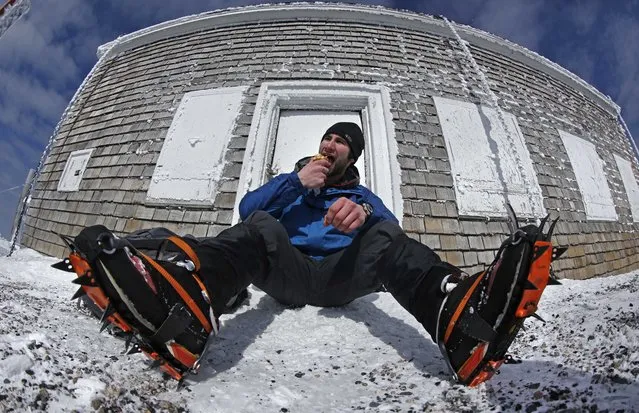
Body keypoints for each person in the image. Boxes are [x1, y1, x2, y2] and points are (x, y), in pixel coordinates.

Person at [64, 122, 557, 386]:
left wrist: (366, 220)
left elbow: (392, 232)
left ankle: (455, 315)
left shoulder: (363, 196)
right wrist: (293, 183)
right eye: (328, 137)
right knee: (259, 224)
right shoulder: (292, 183)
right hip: (289, 275)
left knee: (384, 237)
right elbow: (247, 209)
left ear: (352, 156)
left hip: (344, 280)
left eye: (341, 141)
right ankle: (187, 300)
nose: (330, 144)